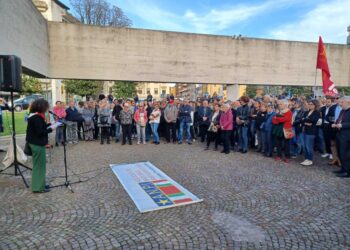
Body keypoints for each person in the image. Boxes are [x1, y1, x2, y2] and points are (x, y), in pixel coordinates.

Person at [26, 99, 54, 193]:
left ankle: (40, 184)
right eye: (46, 106)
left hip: (36, 143)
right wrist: (51, 129)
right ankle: (38, 187)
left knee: (39, 165)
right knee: (39, 166)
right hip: (37, 144)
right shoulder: (37, 118)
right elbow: (39, 132)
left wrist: (49, 125)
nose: (47, 108)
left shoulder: (35, 117)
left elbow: (40, 128)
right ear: (41, 107)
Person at [332, 96, 350, 178]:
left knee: (345, 153)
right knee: (340, 152)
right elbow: (339, 119)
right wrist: (335, 123)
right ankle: (343, 168)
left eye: (342, 102)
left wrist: (342, 125)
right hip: (339, 134)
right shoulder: (343, 110)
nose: (340, 104)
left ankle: (347, 172)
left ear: (348, 102)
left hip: (347, 136)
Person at [300, 100, 320, 166]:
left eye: (311, 104)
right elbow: (301, 119)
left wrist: (305, 120)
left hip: (311, 132)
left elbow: (314, 120)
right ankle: (306, 158)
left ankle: (310, 159)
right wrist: (306, 121)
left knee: (309, 146)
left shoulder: (317, 112)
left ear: (315, 105)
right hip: (304, 130)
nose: (310, 105)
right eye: (309, 104)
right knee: (304, 145)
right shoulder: (306, 112)